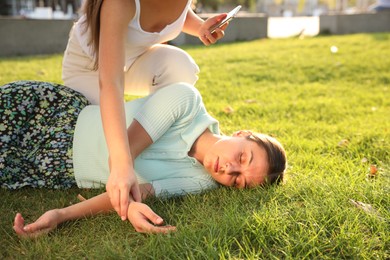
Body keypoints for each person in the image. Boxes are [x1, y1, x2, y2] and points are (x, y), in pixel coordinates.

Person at [0, 80, 287, 236]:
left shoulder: (201, 182)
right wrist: (130, 204)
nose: (229, 169)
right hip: (53, 119)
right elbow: (122, 156)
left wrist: (60, 216)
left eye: (237, 181)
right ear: (242, 133)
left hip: (52, 168)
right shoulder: (186, 102)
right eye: (242, 157)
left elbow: (142, 191)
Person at [62, 0, 233, 221]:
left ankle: (152, 133)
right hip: (88, 69)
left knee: (181, 66)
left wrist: (201, 27)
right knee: (107, 142)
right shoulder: (120, 4)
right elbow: (111, 83)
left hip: (131, 63)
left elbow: (178, 16)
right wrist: (122, 163)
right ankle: (131, 147)